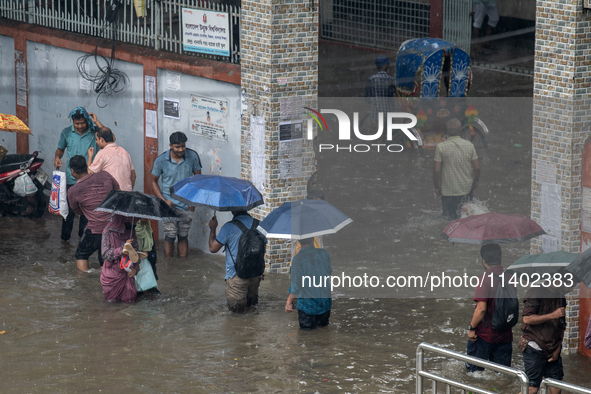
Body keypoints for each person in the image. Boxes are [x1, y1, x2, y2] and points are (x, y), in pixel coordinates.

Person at [150, 132, 202, 257]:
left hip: (187, 204)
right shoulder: (161, 160)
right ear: (170, 145)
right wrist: (163, 201)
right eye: (177, 147)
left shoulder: (192, 156)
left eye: (183, 146)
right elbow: (153, 181)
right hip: (168, 204)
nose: (181, 150)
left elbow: (198, 180)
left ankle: (182, 266)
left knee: (183, 236)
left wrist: (193, 201)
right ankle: (170, 266)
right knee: (170, 236)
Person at [54, 107, 100, 243]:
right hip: (71, 176)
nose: (80, 126)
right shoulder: (66, 132)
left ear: (87, 121)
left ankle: (82, 237)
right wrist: (57, 158)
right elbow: (60, 150)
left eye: (82, 123)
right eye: (77, 123)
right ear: (73, 122)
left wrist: (97, 122)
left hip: (89, 178)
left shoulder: (95, 132)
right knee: (68, 211)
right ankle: (64, 238)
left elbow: (110, 136)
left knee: (86, 209)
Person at [67, 155, 120, 271]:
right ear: (86, 166)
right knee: (106, 258)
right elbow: (118, 193)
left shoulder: (72, 191)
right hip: (114, 227)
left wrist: (88, 212)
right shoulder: (105, 175)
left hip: (95, 228)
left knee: (81, 255)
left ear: (72, 171)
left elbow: (77, 211)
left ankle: (84, 282)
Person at [465, 244, 513, 373]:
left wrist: (472, 328)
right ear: (500, 258)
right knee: (501, 376)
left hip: (484, 335)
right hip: (505, 335)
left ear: (484, 261)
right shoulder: (510, 278)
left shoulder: (484, 280)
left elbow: (481, 309)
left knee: (474, 375)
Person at [208, 210, 266, 313]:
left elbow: (213, 248)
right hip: (256, 275)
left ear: (233, 210)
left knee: (236, 318)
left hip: (236, 277)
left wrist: (213, 228)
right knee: (252, 310)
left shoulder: (228, 227)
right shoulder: (260, 225)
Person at [519, 285, 567, 393]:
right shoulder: (535, 292)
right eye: (570, 285)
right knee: (532, 388)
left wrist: (557, 349)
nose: (571, 289)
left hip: (553, 347)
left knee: (556, 388)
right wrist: (552, 315)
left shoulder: (560, 297)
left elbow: (562, 326)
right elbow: (527, 318)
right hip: (534, 346)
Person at [433, 118, 480, 220]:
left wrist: (437, 187)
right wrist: (476, 180)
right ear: (460, 131)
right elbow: (477, 167)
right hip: (466, 189)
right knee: (467, 218)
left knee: (448, 221)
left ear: (447, 131)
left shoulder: (440, 147)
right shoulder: (469, 146)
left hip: (448, 191)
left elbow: (436, 171)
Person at [285, 237, 332, 329]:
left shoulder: (298, 259)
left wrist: (289, 302)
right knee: (323, 334)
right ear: (312, 240)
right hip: (325, 304)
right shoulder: (324, 253)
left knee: (306, 338)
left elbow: (296, 285)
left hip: (308, 307)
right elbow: (328, 271)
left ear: (298, 241)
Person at [100, 214, 146, 303]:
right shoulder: (108, 231)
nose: (136, 222)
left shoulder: (131, 232)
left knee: (130, 303)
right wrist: (121, 249)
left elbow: (136, 255)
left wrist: (135, 269)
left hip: (127, 275)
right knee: (112, 306)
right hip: (112, 276)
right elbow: (105, 254)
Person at [87, 127, 136, 191]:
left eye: (97, 139)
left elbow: (90, 174)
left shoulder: (102, 153)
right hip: (127, 194)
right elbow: (133, 175)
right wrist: (129, 190)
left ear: (101, 140)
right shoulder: (124, 151)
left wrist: (90, 157)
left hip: (112, 196)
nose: (96, 142)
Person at [364, 55, 396, 142]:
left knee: (375, 142)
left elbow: (367, 99)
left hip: (376, 116)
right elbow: (394, 94)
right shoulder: (391, 80)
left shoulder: (371, 79)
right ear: (385, 66)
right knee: (386, 140)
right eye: (388, 64)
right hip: (389, 116)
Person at [291, 190, 325, 262]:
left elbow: (320, 241)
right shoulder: (298, 217)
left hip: (317, 256)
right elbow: (287, 238)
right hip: (301, 256)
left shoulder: (320, 218)